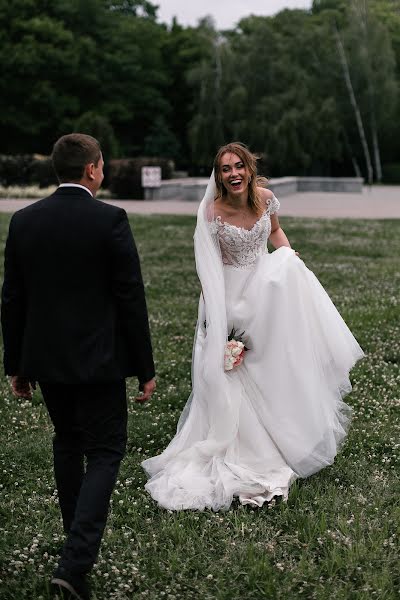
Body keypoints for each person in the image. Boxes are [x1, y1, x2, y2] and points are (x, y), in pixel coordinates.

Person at [142, 141, 364, 511]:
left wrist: (288, 258)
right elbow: (207, 269)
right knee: (234, 371)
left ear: (249, 168)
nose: (233, 174)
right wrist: (216, 318)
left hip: (267, 294)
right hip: (229, 296)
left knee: (274, 366)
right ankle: (243, 446)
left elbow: (275, 234)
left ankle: (286, 434)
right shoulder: (212, 213)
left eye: (238, 166)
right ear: (218, 176)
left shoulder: (266, 199)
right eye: (225, 169)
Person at [1, 133, 156, 600]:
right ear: (91, 169)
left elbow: (12, 298)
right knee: (106, 451)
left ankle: (73, 551)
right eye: (102, 164)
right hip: (100, 362)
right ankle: (76, 560)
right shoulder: (110, 219)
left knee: (68, 442)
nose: (103, 170)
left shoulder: (24, 220)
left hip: (47, 360)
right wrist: (144, 367)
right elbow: (130, 295)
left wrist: (16, 364)